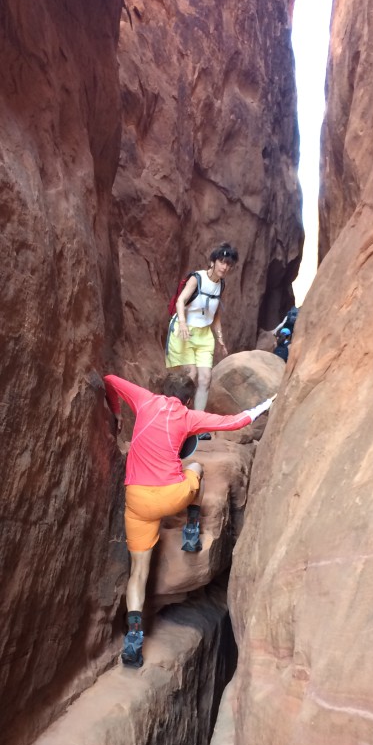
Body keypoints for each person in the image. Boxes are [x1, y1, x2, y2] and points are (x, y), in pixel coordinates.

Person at [104, 369, 275, 667]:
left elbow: (109, 380)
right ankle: (192, 528)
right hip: (172, 497)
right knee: (195, 467)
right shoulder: (187, 416)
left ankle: (134, 637)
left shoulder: (144, 400)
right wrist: (266, 404)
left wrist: (117, 414)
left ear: (161, 388)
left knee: (138, 573)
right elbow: (236, 421)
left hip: (139, 501)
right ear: (186, 400)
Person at [165, 243, 239, 436]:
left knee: (205, 378)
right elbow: (181, 300)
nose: (225, 267)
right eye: (222, 262)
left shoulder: (221, 284)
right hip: (185, 331)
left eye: (229, 264)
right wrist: (182, 323)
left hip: (205, 335)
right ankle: (179, 422)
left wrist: (220, 338)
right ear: (213, 262)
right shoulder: (197, 278)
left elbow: (215, 313)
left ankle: (197, 425)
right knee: (190, 375)